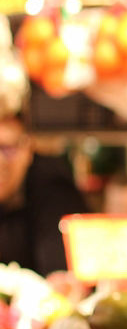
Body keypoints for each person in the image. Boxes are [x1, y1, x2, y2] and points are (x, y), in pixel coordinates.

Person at [0, 113, 89, 275]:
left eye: (8, 149)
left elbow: (58, 272)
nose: (0, 161)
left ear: (28, 149)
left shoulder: (53, 189)